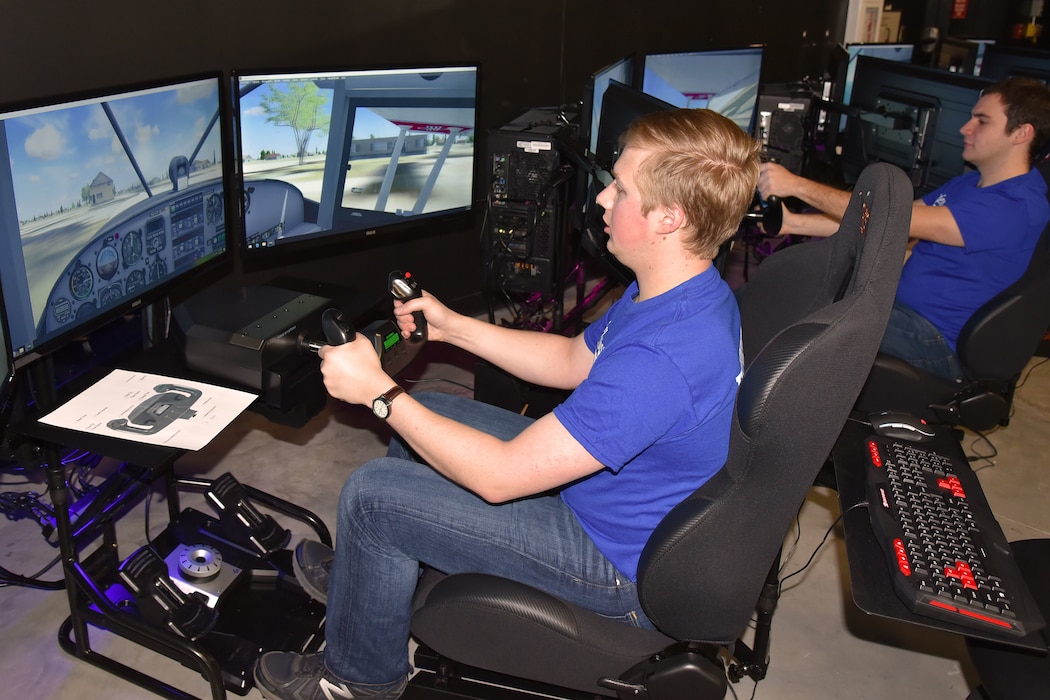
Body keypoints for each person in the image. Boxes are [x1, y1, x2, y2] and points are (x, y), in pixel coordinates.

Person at [252, 108, 760, 700]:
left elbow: (499, 478)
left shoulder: (663, 359)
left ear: (669, 217)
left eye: (621, 189)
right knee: (432, 413)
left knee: (371, 498)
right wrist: (451, 327)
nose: (602, 197)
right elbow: (570, 360)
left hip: (617, 568)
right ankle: (367, 583)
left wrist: (376, 393)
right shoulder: (681, 291)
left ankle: (356, 683)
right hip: (613, 508)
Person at [758, 76, 1050, 381]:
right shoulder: (973, 183)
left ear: (1021, 133)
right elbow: (888, 221)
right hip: (903, 311)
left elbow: (890, 217)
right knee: (796, 286)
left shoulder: (1013, 207)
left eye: (982, 121)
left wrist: (796, 185)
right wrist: (793, 223)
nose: (965, 128)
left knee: (800, 311)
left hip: (934, 341)